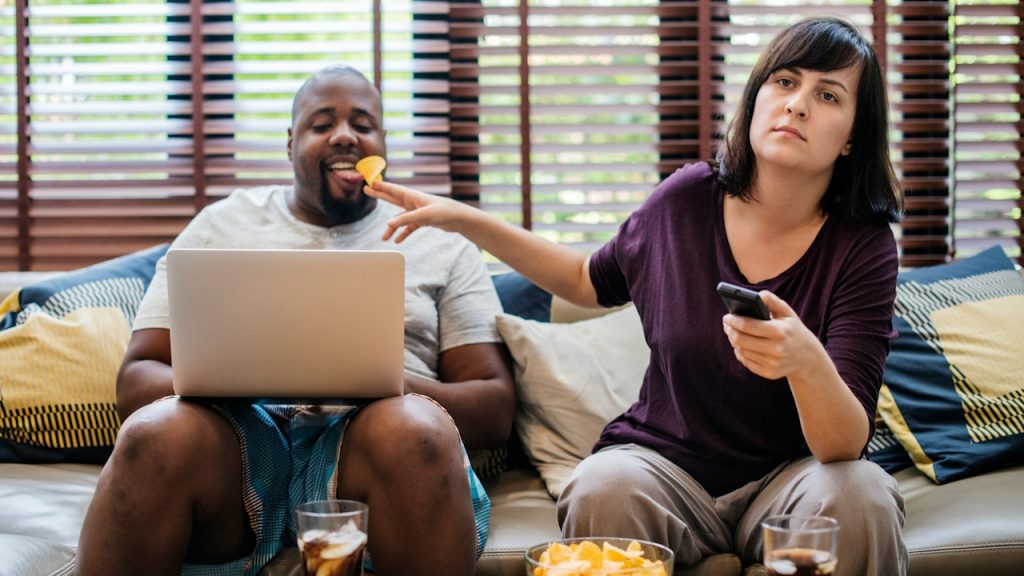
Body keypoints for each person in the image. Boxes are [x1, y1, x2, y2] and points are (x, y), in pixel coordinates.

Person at [365, 16, 907, 575]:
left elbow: (842, 446)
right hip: (667, 470)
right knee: (602, 485)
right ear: (757, 96)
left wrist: (805, 363)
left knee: (861, 495)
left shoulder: (862, 247)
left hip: (792, 479)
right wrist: (466, 221)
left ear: (851, 139)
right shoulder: (686, 201)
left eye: (828, 95)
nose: (797, 105)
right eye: (785, 81)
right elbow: (584, 280)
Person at [76, 65, 515, 576]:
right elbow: (136, 382)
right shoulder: (219, 226)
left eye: (363, 124)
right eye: (322, 123)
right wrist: (244, 379)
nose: (346, 135)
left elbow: (495, 407)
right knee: (154, 432)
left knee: (413, 428)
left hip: (380, 457)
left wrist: (384, 383)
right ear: (290, 143)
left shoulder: (440, 240)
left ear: (383, 144)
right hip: (232, 454)